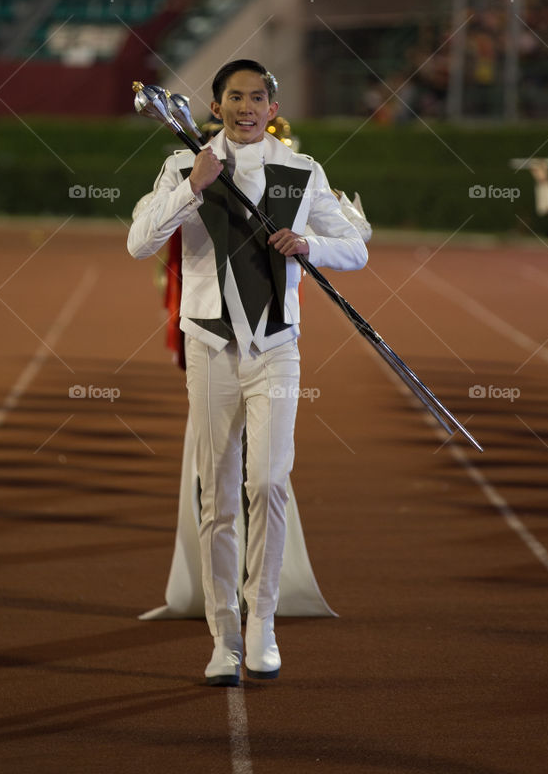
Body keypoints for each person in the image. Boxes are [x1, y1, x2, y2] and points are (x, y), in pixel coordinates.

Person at [127, 60, 368, 685]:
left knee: (268, 482)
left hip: (276, 350)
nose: (246, 107)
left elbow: (357, 248)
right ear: (216, 105)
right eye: (234, 97)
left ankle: (262, 622)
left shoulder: (301, 169)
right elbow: (139, 243)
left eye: (257, 97)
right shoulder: (186, 164)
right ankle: (224, 638)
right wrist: (192, 187)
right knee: (219, 497)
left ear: (271, 104)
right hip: (208, 348)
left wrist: (311, 247)